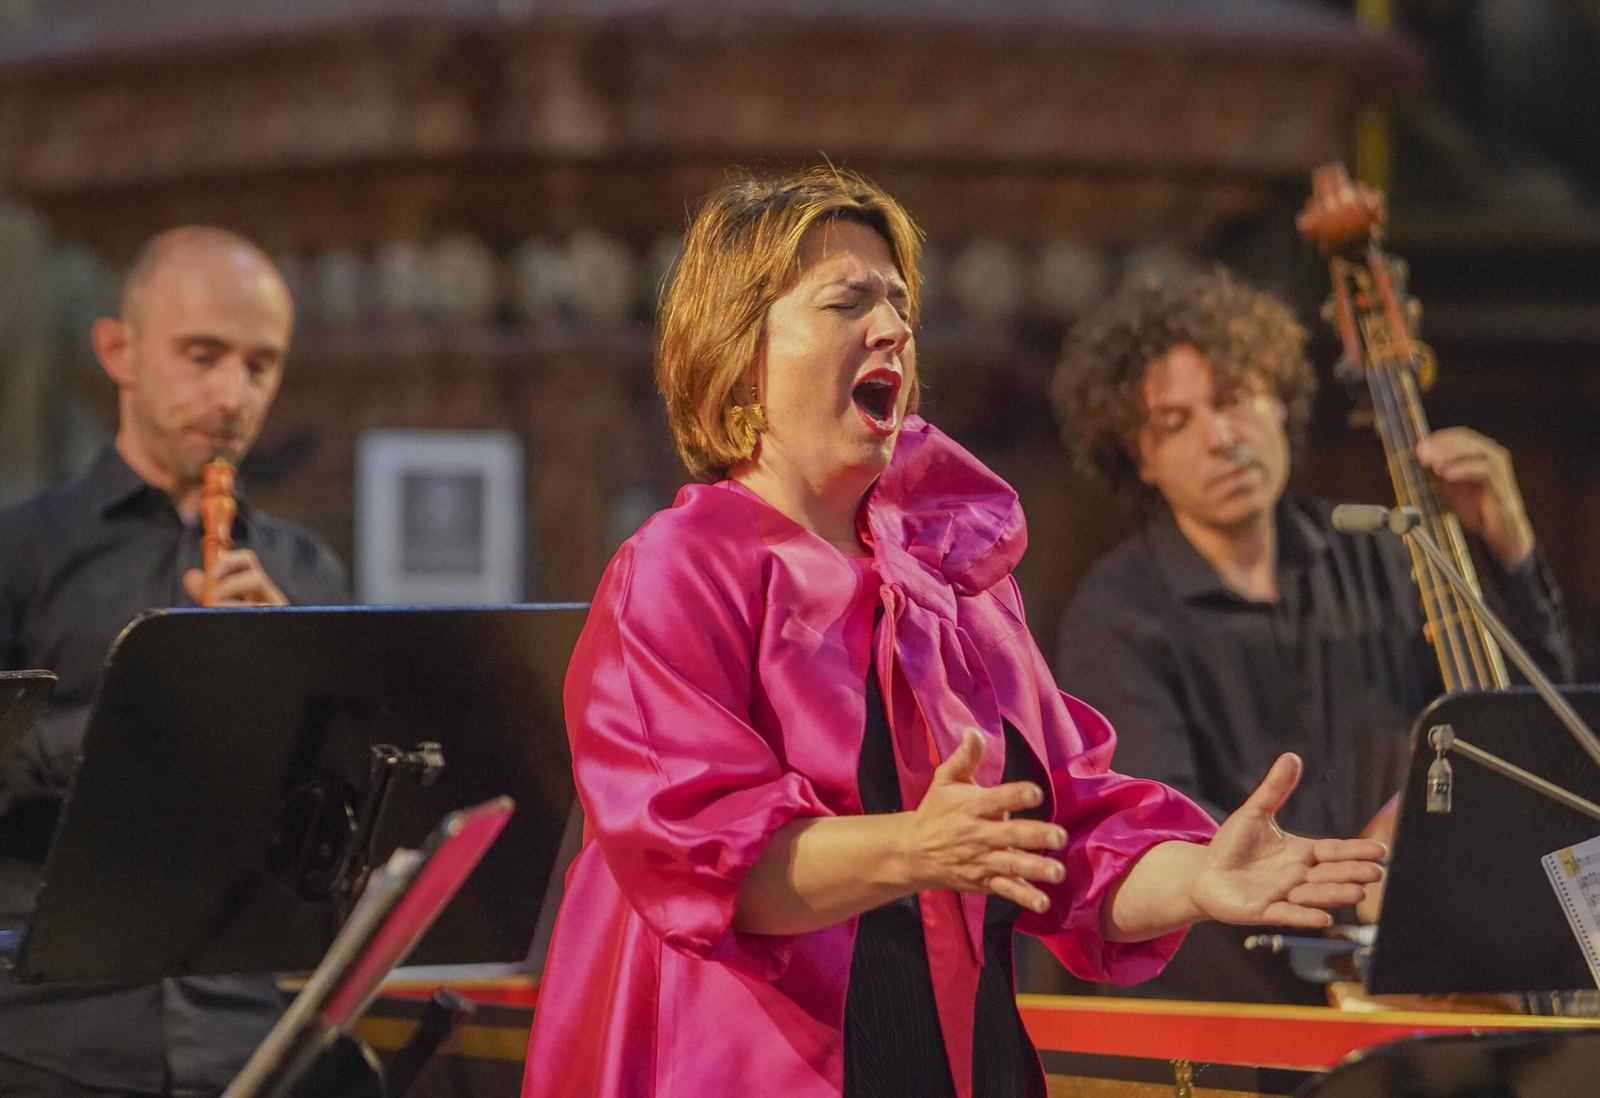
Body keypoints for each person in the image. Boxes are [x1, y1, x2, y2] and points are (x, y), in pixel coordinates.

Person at [521, 170, 1386, 1098]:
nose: (892, 327)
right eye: (848, 301)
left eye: (899, 303)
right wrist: (915, 851)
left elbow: (1064, 840)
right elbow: (701, 859)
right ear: (739, 355)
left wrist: (1203, 875)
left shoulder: (954, 583)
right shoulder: (681, 566)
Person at [1050, 268, 1573, 1002]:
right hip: (1232, 1015)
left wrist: (1510, 548)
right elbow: (1160, 840)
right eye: (1176, 423)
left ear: (1278, 399)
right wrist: (1361, 882)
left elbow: (1534, 738)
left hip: (1407, 992)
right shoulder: (1118, 613)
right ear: (1140, 457)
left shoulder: (1384, 553)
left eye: (1233, 400)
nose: (1221, 437)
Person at [0, 227, 347, 1097]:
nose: (233, 394)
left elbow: (331, 842)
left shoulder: (307, 575)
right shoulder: (22, 552)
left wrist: (294, 689)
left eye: (260, 365)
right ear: (118, 351)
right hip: (46, 1033)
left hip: (245, 1033)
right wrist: (157, 710)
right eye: (202, 356)